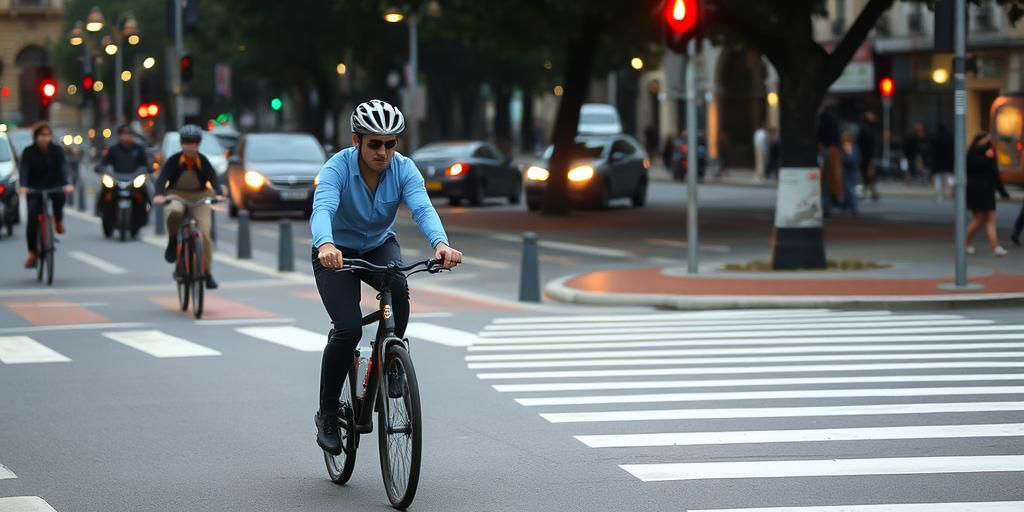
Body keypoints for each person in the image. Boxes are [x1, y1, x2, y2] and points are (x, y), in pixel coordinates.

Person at [310, 99, 463, 455]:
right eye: (374, 144)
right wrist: (326, 244)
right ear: (356, 140)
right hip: (335, 252)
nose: (383, 152)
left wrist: (441, 244)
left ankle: (391, 357)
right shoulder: (337, 169)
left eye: (390, 144)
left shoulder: (405, 169)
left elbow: (422, 207)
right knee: (348, 329)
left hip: (379, 246)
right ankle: (329, 414)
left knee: (399, 286)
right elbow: (323, 208)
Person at [151, 125, 225, 289]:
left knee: (205, 234)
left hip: (200, 196)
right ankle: (172, 240)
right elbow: (162, 178)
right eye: (187, 142)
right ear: (182, 143)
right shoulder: (174, 160)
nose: (190, 146)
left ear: (198, 144)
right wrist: (159, 194)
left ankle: (206, 273)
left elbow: (213, 178)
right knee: (174, 211)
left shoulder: (202, 161)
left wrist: (219, 193)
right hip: (177, 194)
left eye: (194, 143)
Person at [19, 122, 73, 268]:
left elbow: (63, 167)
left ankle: (58, 220)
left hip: (54, 185)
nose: (45, 138)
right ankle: (32, 252)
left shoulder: (57, 150)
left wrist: (67, 183)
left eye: (47, 135)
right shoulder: (28, 151)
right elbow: (24, 169)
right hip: (34, 188)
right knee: (32, 218)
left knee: (60, 197)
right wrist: (23, 186)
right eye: (42, 135)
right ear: (36, 137)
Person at [965, 132, 1010, 256]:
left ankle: (995, 247)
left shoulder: (980, 152)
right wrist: (1002, 192)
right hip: (978, 190)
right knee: (979, 219)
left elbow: (994, 174)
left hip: (985, 190)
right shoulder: (975, 153)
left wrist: (1002, 191)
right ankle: (966, 242)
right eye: (986, 140)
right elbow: (977, 167)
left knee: (989, 218)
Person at [856, 112, 880, 201]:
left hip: (866, 156)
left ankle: (870, 192)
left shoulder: (869, 128)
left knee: (867, 175)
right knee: (867, 175)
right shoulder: (866, 129)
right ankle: (872, 192)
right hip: (866, 155)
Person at [930, 124, 954, 202]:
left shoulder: (935, 138)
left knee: (938, 179)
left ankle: (940, 195)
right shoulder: (950, 138)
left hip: (937, 162)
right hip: (948, 161)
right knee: (949, 177)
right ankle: (951, 191)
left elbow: (931, 151)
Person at [839, 132, 861, 215]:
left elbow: (852, 160)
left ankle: (854, 207)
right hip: (847, 172)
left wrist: (846, 153)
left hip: (851, 171)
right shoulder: (847, 148)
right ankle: (844, 206)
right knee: (847, 189)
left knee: (850, 189)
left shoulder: (852, 148)